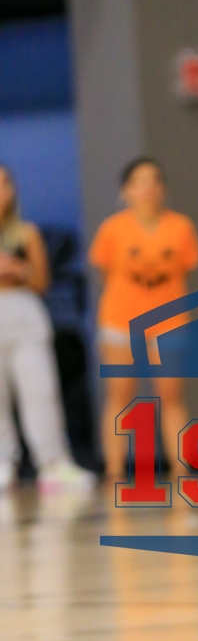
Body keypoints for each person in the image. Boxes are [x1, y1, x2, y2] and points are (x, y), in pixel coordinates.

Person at [89, 158, 198, 480]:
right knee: (119, 396)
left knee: (171, 397)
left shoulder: (181, 227)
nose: (148, 188)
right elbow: (104, 271)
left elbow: (185, 269)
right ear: (126, 190)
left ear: (162, 188)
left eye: (154, 180)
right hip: (120, 321)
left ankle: (180, 469)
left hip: (168, 322)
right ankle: (114, 471)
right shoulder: (112, 229)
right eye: (139, 181)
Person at [0, 165, 95, 493]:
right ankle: (3, 462)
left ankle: (53, 462)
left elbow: (42, 282)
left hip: (25, 316)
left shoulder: (26, 233)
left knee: (40, 392)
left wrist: (20, 270)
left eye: (5, 183)